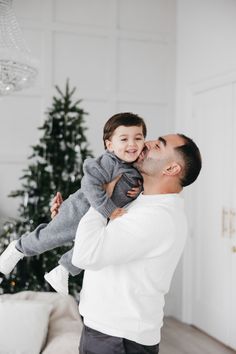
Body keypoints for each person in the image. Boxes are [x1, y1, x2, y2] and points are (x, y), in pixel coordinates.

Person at [63, 133, 201, 354]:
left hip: (118, 338)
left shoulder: (157, 217)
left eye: (158, 146)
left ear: (172, 169)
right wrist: (65, 218)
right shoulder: (140, 203)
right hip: (109, 331)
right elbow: (100, 238)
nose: (145, 144)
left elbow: (84, 255)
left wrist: (99, 199)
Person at [0, 112, 146, 295]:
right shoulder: (109, 162)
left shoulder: (136, 167)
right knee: (50, 237)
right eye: (124, 139)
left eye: (138, 138)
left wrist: (140, 190)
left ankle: (62, 271)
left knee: (88, 248)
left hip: (100, 219)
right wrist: (109, 210)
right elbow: (89, 183)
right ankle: (18, 247)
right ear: (110, 145)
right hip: (79, 209)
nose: (132, 144)